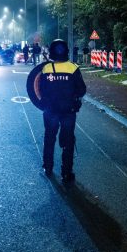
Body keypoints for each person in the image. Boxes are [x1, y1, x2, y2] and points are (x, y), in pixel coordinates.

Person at [39, 39, 87, 183]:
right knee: (68, 141)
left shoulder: (46, 69)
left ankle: (48, 167)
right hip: (68, 111)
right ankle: (66, 172)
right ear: (66, 51)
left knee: (49, 139)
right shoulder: (73, 68)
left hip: (51, 111)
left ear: (52, 51)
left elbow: (40, 90)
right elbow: (82, 90)